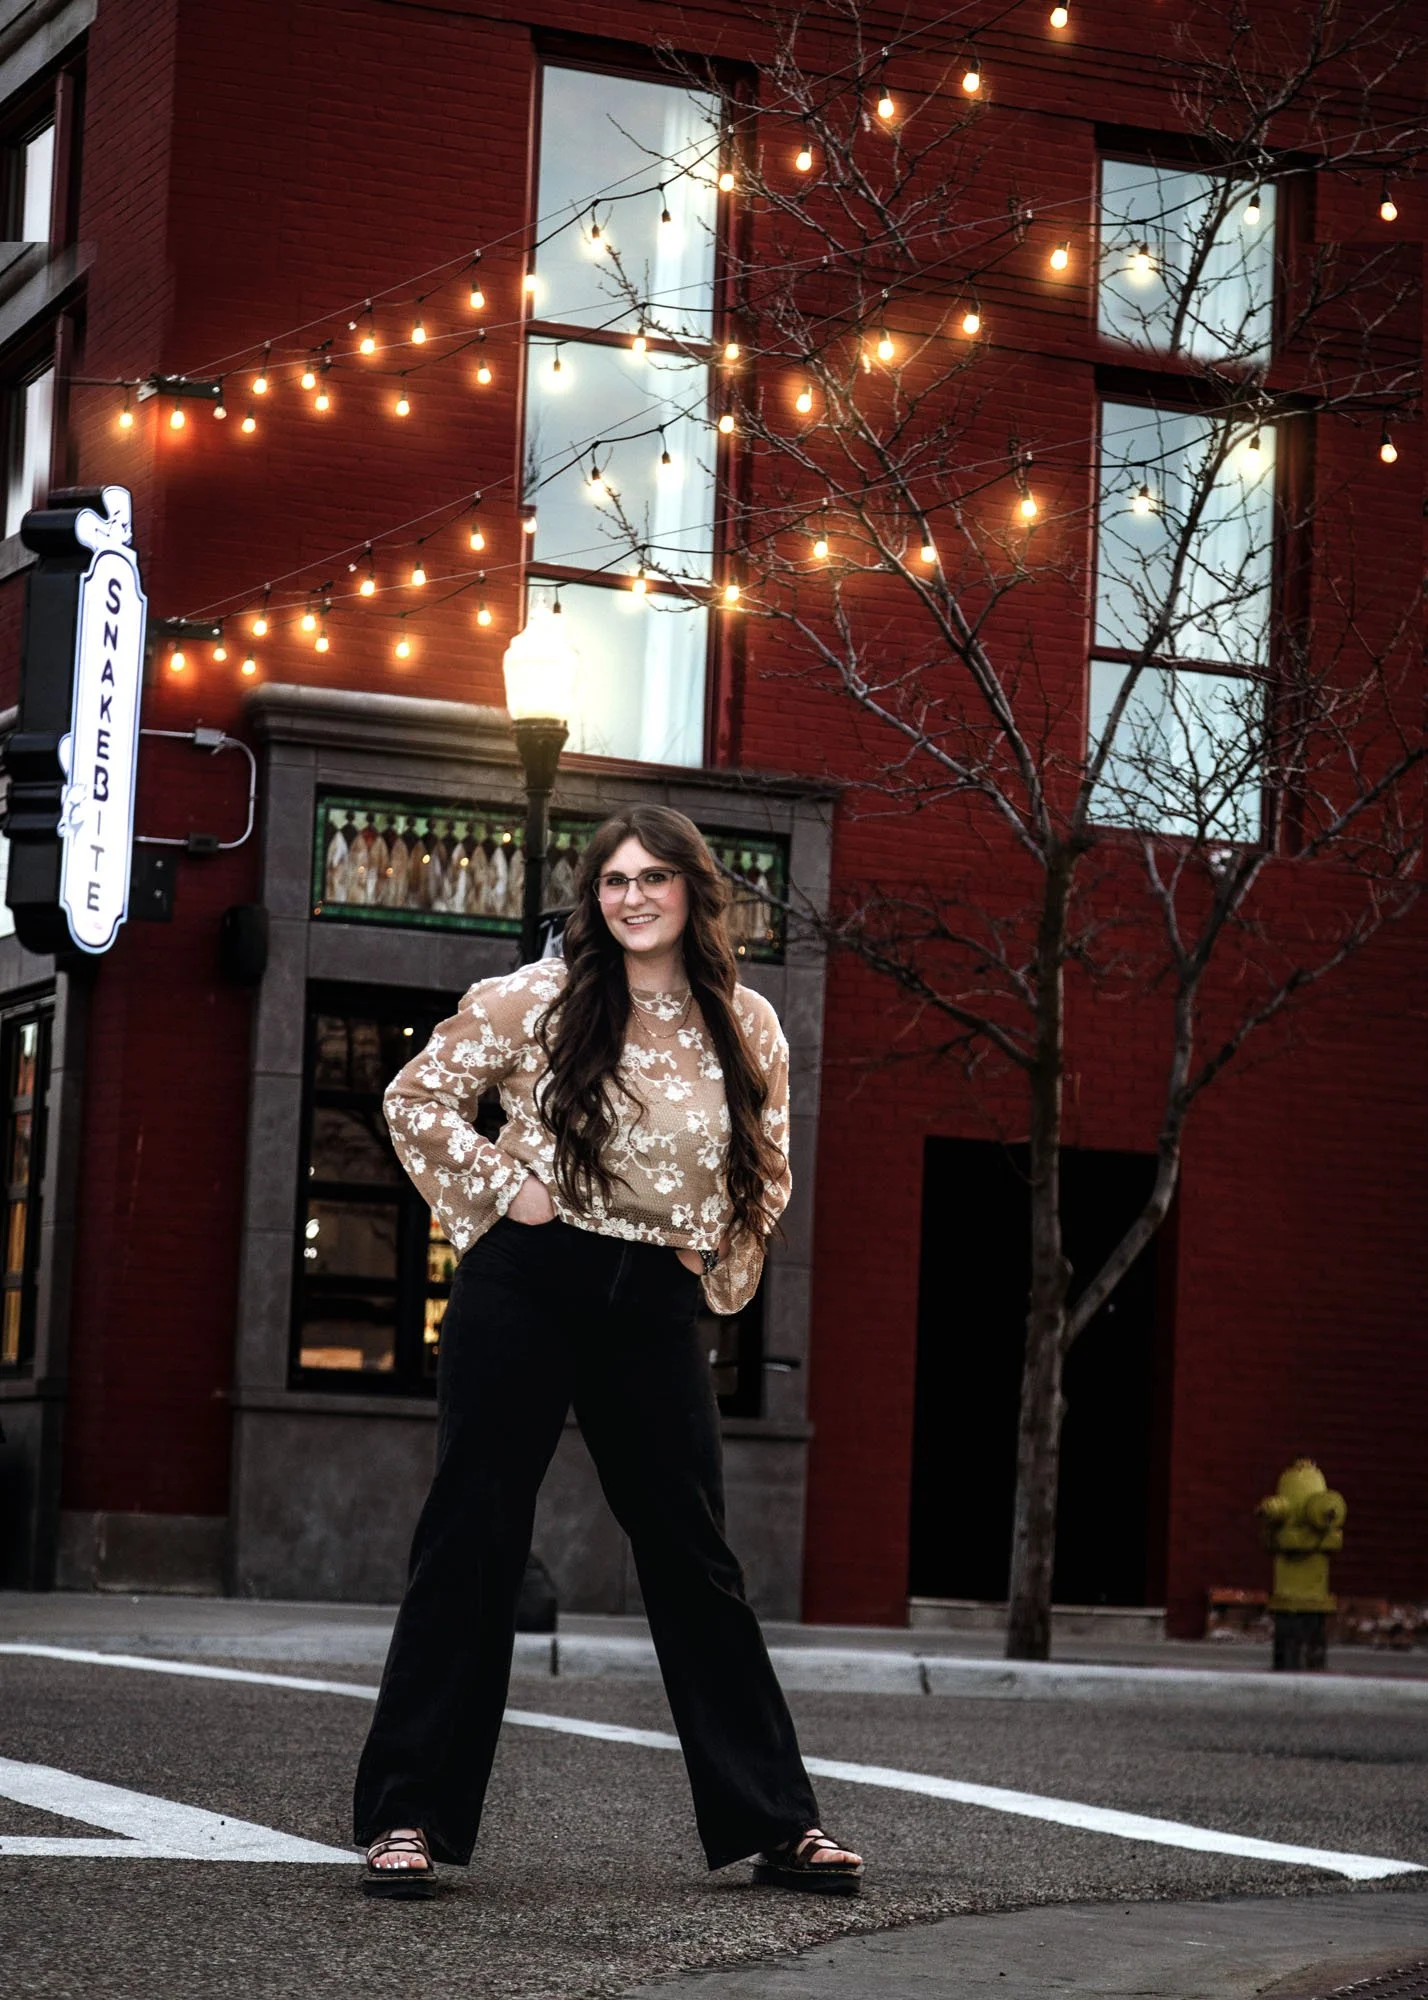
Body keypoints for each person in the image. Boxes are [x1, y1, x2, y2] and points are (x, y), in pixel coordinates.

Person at [352, 804, 862, 1900]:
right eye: (614, 880)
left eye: (654, 877)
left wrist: (707, 1253)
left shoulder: (746, 1023)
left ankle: (779, 1819)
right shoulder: (539, 997)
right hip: (526, 1285)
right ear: (595, 896)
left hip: (650, 1306)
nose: (632, 896)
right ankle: (407, 1815)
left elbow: (766, 1166)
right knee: (473, 1538)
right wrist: (505, 1187)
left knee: (694, 1556)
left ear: (693, 891)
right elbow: (418, 1095)